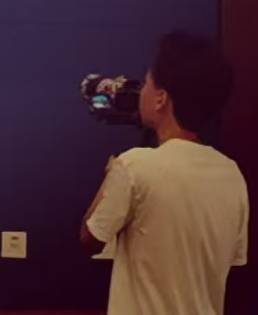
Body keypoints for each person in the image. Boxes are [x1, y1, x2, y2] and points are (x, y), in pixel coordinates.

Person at [82, 31, 248, 315]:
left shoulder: (134, 165)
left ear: (160, 99)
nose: (141, 91)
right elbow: (233, 260)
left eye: (146, 82)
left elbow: (89, 239)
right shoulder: (231, 173)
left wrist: (113, 173)